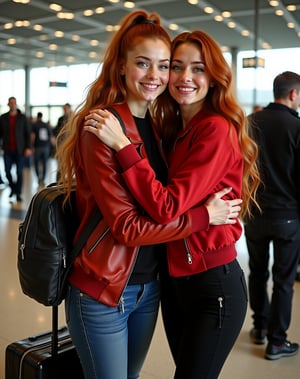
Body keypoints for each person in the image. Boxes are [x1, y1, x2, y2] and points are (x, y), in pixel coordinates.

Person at [56, 11, 243, 379]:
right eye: (145, 64)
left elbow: (164, 201)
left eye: (163, 65)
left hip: (150, 288)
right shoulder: (105, 126)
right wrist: (205, 216)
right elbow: (127, 227)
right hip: (105, 288)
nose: (158, 76)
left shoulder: (159, 128)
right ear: (121, 67)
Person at [244, 71, 300, 360]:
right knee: (283, 280)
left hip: (253, 214)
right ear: (293, 94)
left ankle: (260, 327)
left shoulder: (249, 124)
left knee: (257, 271)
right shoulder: (296, 126)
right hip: (288, 217)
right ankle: (277, 341)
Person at [0, 96, 32, 201]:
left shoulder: (22, 117)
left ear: (16, 104)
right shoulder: (3, 117)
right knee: (7, 172)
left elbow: (28, 133)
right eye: (11, 103)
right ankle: (14, 189)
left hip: (20, 150)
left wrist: (28, 147)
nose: (12, 104)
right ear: (8, 104)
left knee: (19, 172)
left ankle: (17, 193)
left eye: (14, 103)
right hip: (7, 149)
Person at [31, 112, 54, 186]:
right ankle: (43, 178)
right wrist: (52, 146)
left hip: (37, 146)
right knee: (44, 163)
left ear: (37, 117)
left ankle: (38, 178)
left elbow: (33, 136)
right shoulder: (46, 125)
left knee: (36, 163)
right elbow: (50, 137)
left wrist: (32, 146)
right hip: (46, 147)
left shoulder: (34, 125)